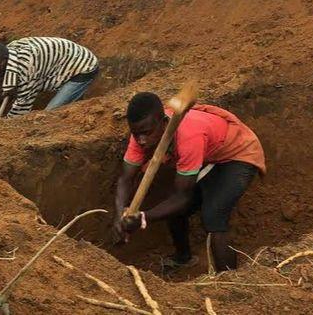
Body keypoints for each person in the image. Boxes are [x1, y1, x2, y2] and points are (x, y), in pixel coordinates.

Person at [113, 92, 265, 272]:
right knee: (172, 208)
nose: (141, 140)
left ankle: (229, 281)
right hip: (211, 157)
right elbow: (125, 179)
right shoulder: (141, 134)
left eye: (146, 133)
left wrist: (144, 218)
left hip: (239, 155)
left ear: (163, 123)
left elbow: (182, 197)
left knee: (213, 215)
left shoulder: (189, 136)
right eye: (136, 134)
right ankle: (183, 258)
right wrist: (119, 215)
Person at [0, 37, 99, 117]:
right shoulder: (11, 49)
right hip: (64, 59)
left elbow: (22, 106)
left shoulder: (28, 67)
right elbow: (12, 72)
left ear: (6, 59)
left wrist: (6, 124)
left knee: (49, 114)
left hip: (82, 66)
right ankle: (74, 101)